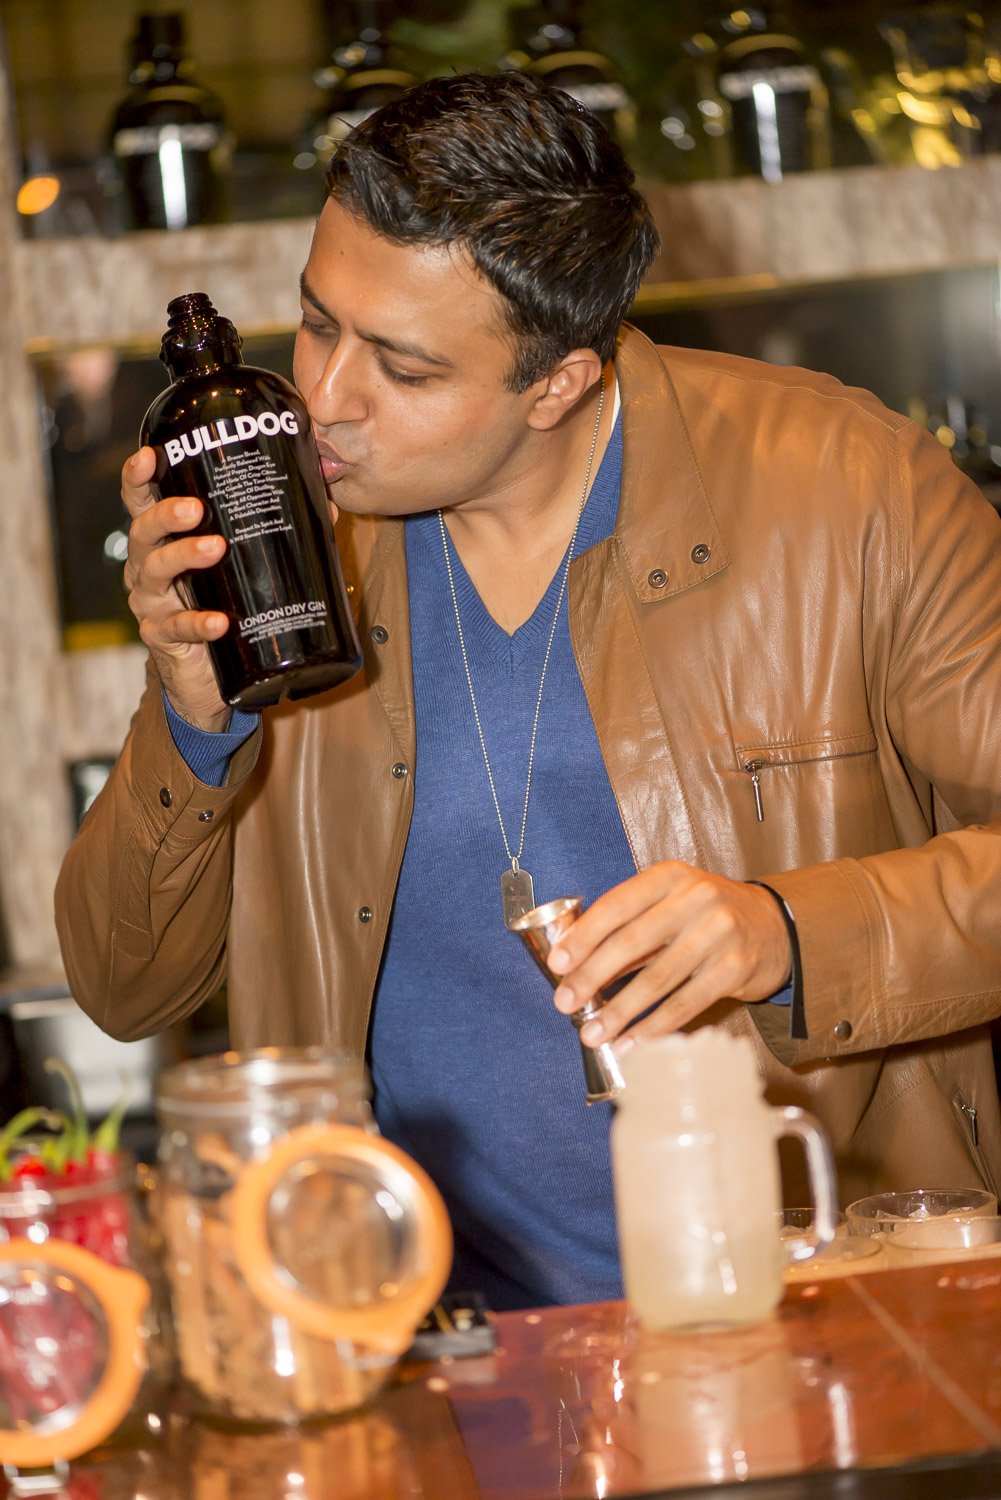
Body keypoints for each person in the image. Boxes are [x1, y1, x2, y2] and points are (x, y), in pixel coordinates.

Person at [57, 72, 1001, 1310]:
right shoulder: (282, 541)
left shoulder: (849, 486)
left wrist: (782, 933)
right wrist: (193, 709)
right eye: (317, 323)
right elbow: (120, 986)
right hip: (416, 1336)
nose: (323, 400)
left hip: (816, 1303)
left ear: (558, 382)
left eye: (402, 368)